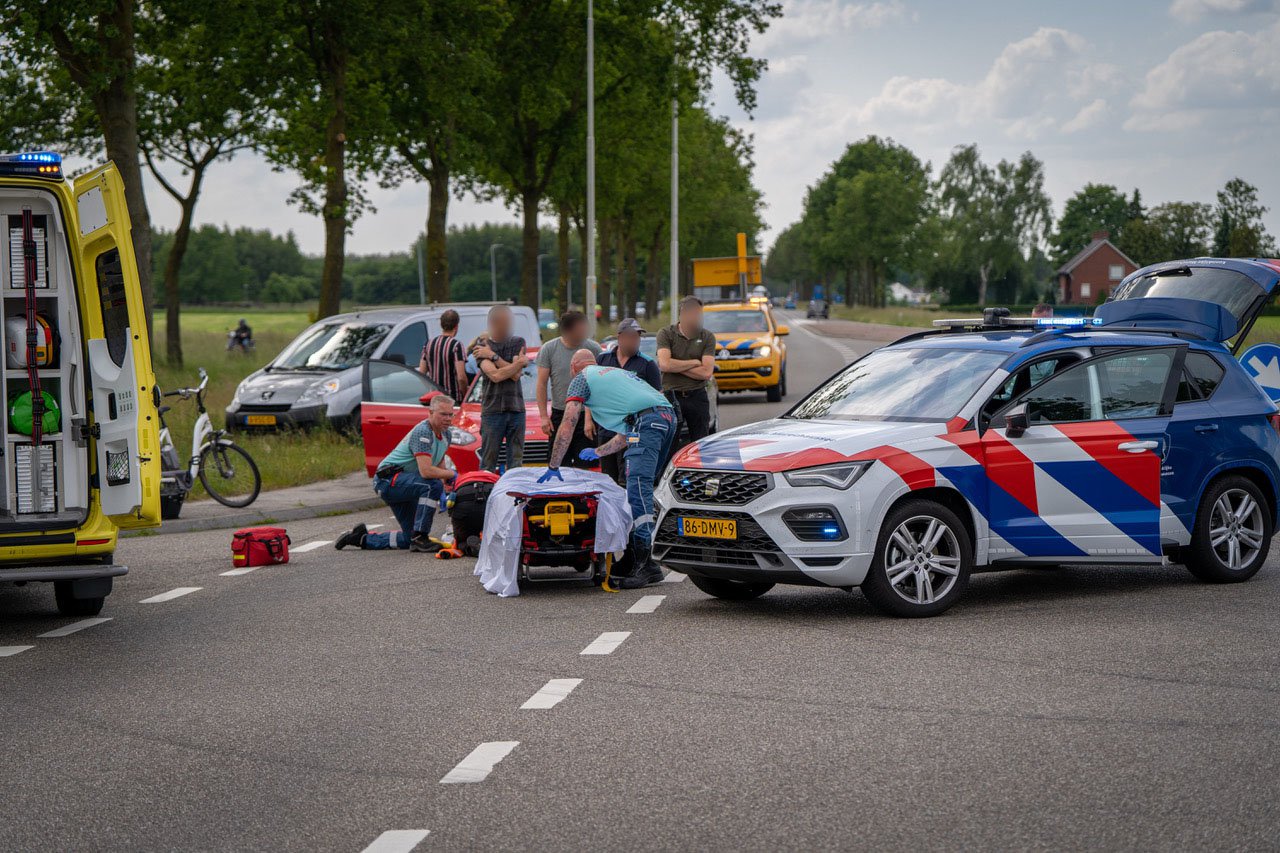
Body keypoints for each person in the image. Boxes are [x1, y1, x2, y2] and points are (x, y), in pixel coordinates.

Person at [539, 350, 676, 588]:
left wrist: (554, 465)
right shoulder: (616, 375)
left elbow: (569, 422)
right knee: (645, 488)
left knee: (637, 489)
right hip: (665, 418)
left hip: (647, 423)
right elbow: (626, 435)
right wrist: (599, 452)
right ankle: (637, 558)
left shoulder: (582, 378)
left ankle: (646, 562)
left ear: (573, 368)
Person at [336, 395, 456, 553]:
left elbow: (438, 466)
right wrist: (453, 474)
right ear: (430, 412)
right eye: (443, 414)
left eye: (450, 414)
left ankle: (361, 539)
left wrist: (443, 485)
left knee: (408, 539)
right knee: (430, 485)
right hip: (387, 481)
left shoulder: (446, 434)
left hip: (406, 483)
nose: (447, 418)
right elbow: (426, 472)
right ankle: (420, 537)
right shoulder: (423, 432)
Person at [596, 318, 661, 484]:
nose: (635, 341)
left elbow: (657, 399)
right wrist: (589, 419)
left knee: (627, 479)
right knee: (607, 479)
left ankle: (627, 509)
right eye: (631, 337)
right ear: (620, 338)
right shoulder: (603, 360)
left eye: (637, 337)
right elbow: (593, 392)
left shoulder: (647, 364)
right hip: (607, 428)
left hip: (633, 431)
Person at [536, 310, 601, 469]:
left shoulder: (594, 348)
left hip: (586, 415)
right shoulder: (549, 349)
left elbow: (599, 384)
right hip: (560, 413)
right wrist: (544, 417)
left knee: (586, 463)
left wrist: (591, 417)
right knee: (558, 463)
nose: (585, 332)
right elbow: (542, 383)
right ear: (567, 330)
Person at [474, 305, 529, 472]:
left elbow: (515, 376)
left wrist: (492, 356)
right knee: (488, 462)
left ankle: (513, 495)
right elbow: (494, 376)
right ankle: (485, 494)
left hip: (516, 409)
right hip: (492, 410)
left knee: (516, 462)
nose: (508, 326)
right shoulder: (481, 344)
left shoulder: (517, 342)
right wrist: (517, 363)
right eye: (504, 322)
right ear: (493, 323)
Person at [656, 296, 716, 449]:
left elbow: (706, 372)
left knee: (701, 443)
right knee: (670, 443)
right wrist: (694, 363)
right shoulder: (666, 334)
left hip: (697, 395)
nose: (697, 318)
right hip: (672, 396)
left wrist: (675, 365)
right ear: (683, 314)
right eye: (694, 313)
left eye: (699, 314)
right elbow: (664, 365)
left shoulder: (707, 337)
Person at [420, 308, 468, 403]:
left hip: (434, 397)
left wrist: (431, 388)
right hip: (452, 398)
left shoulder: (428, 344)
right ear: (456, 326)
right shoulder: (456, 345)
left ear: (441, 324)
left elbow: (422, 373)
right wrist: (466, 394)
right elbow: (461, 377)